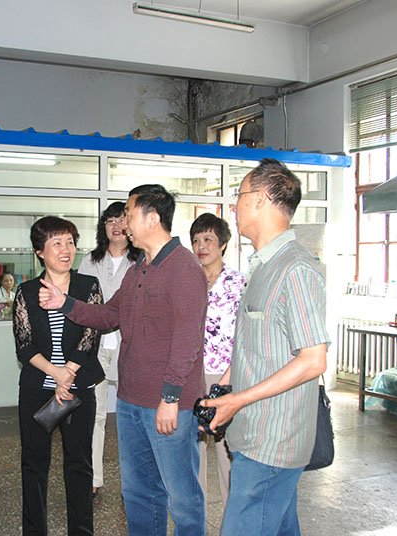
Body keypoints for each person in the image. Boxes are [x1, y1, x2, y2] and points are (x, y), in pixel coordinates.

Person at [39, 184, 208, 536]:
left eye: (129, 214)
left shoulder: (185, 269)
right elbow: (108, 315)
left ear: (152, 218)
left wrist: (171, 397)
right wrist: (65, 303)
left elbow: (188, 340)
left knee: (181, 495)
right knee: (138, 492)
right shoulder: (139, 269)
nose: (124, 223)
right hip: (131, 401)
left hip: (167, 404)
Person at [201, 158, 329, 535]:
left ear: (260, 199)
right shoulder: (261, 267)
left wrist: (238, 400)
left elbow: (313, 360)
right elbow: (254, 343)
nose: (233, 207)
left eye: (239, 196)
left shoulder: (296, 269)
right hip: (252, 433)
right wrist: (225, 386)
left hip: (273, 441)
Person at [12, 216, 104, 536]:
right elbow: (24, 345)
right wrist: (55, 374)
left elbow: (91, 334)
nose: (66, 250)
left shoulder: (87, 286)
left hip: (79, 387)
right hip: (38, 390)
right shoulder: (25, 291)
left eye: (70, 242)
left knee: (79, 464)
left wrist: (69, 373)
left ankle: (81, 531)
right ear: (40, 251)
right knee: (34, 465)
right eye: (57, 243)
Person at [77, 201, 140, 497]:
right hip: (96, 346)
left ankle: (136, 481)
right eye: (110, 221)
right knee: (96, 415)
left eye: (121, 220)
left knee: (133, 416)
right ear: (104, 227)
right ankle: (93, 478)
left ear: (130, 225)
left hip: (132, 346)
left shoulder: (142, 261)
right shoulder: (90, 261)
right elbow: (77, 302)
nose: (116, 226)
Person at [189, 213, 244, 506]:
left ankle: (233, 520)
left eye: (208, 239)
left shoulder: (239, 283)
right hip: (192, 375)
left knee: (227, 452)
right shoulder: (189, 282)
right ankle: (195, 519)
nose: (201, 246)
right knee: (192, 452)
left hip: (225, 377)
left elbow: (247, 334)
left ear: (223, 244)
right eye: (196, 240)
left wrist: (232, 376)